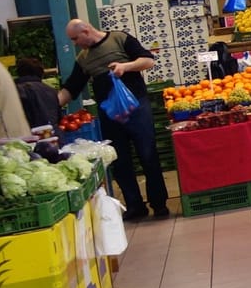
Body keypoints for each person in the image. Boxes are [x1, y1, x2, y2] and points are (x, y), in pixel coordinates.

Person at [58, 18, 169, 221]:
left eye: (75, 38)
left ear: (85, 30)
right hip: (110, 115)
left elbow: (148, 60)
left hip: (137, 107)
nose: (75, 43)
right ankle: (135, 206)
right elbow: (72, 87)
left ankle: (159, 204)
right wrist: (52, 104)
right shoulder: (83, 59)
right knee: (120, 161)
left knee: (148, 155)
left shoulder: (119, 39)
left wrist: (125, 66)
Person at [13, 57, 61, 132]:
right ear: (41, 74)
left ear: (19, 73)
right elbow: (58, 118)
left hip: (30, 137)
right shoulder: (52, 91)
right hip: (53, 135)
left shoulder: (17, 90)